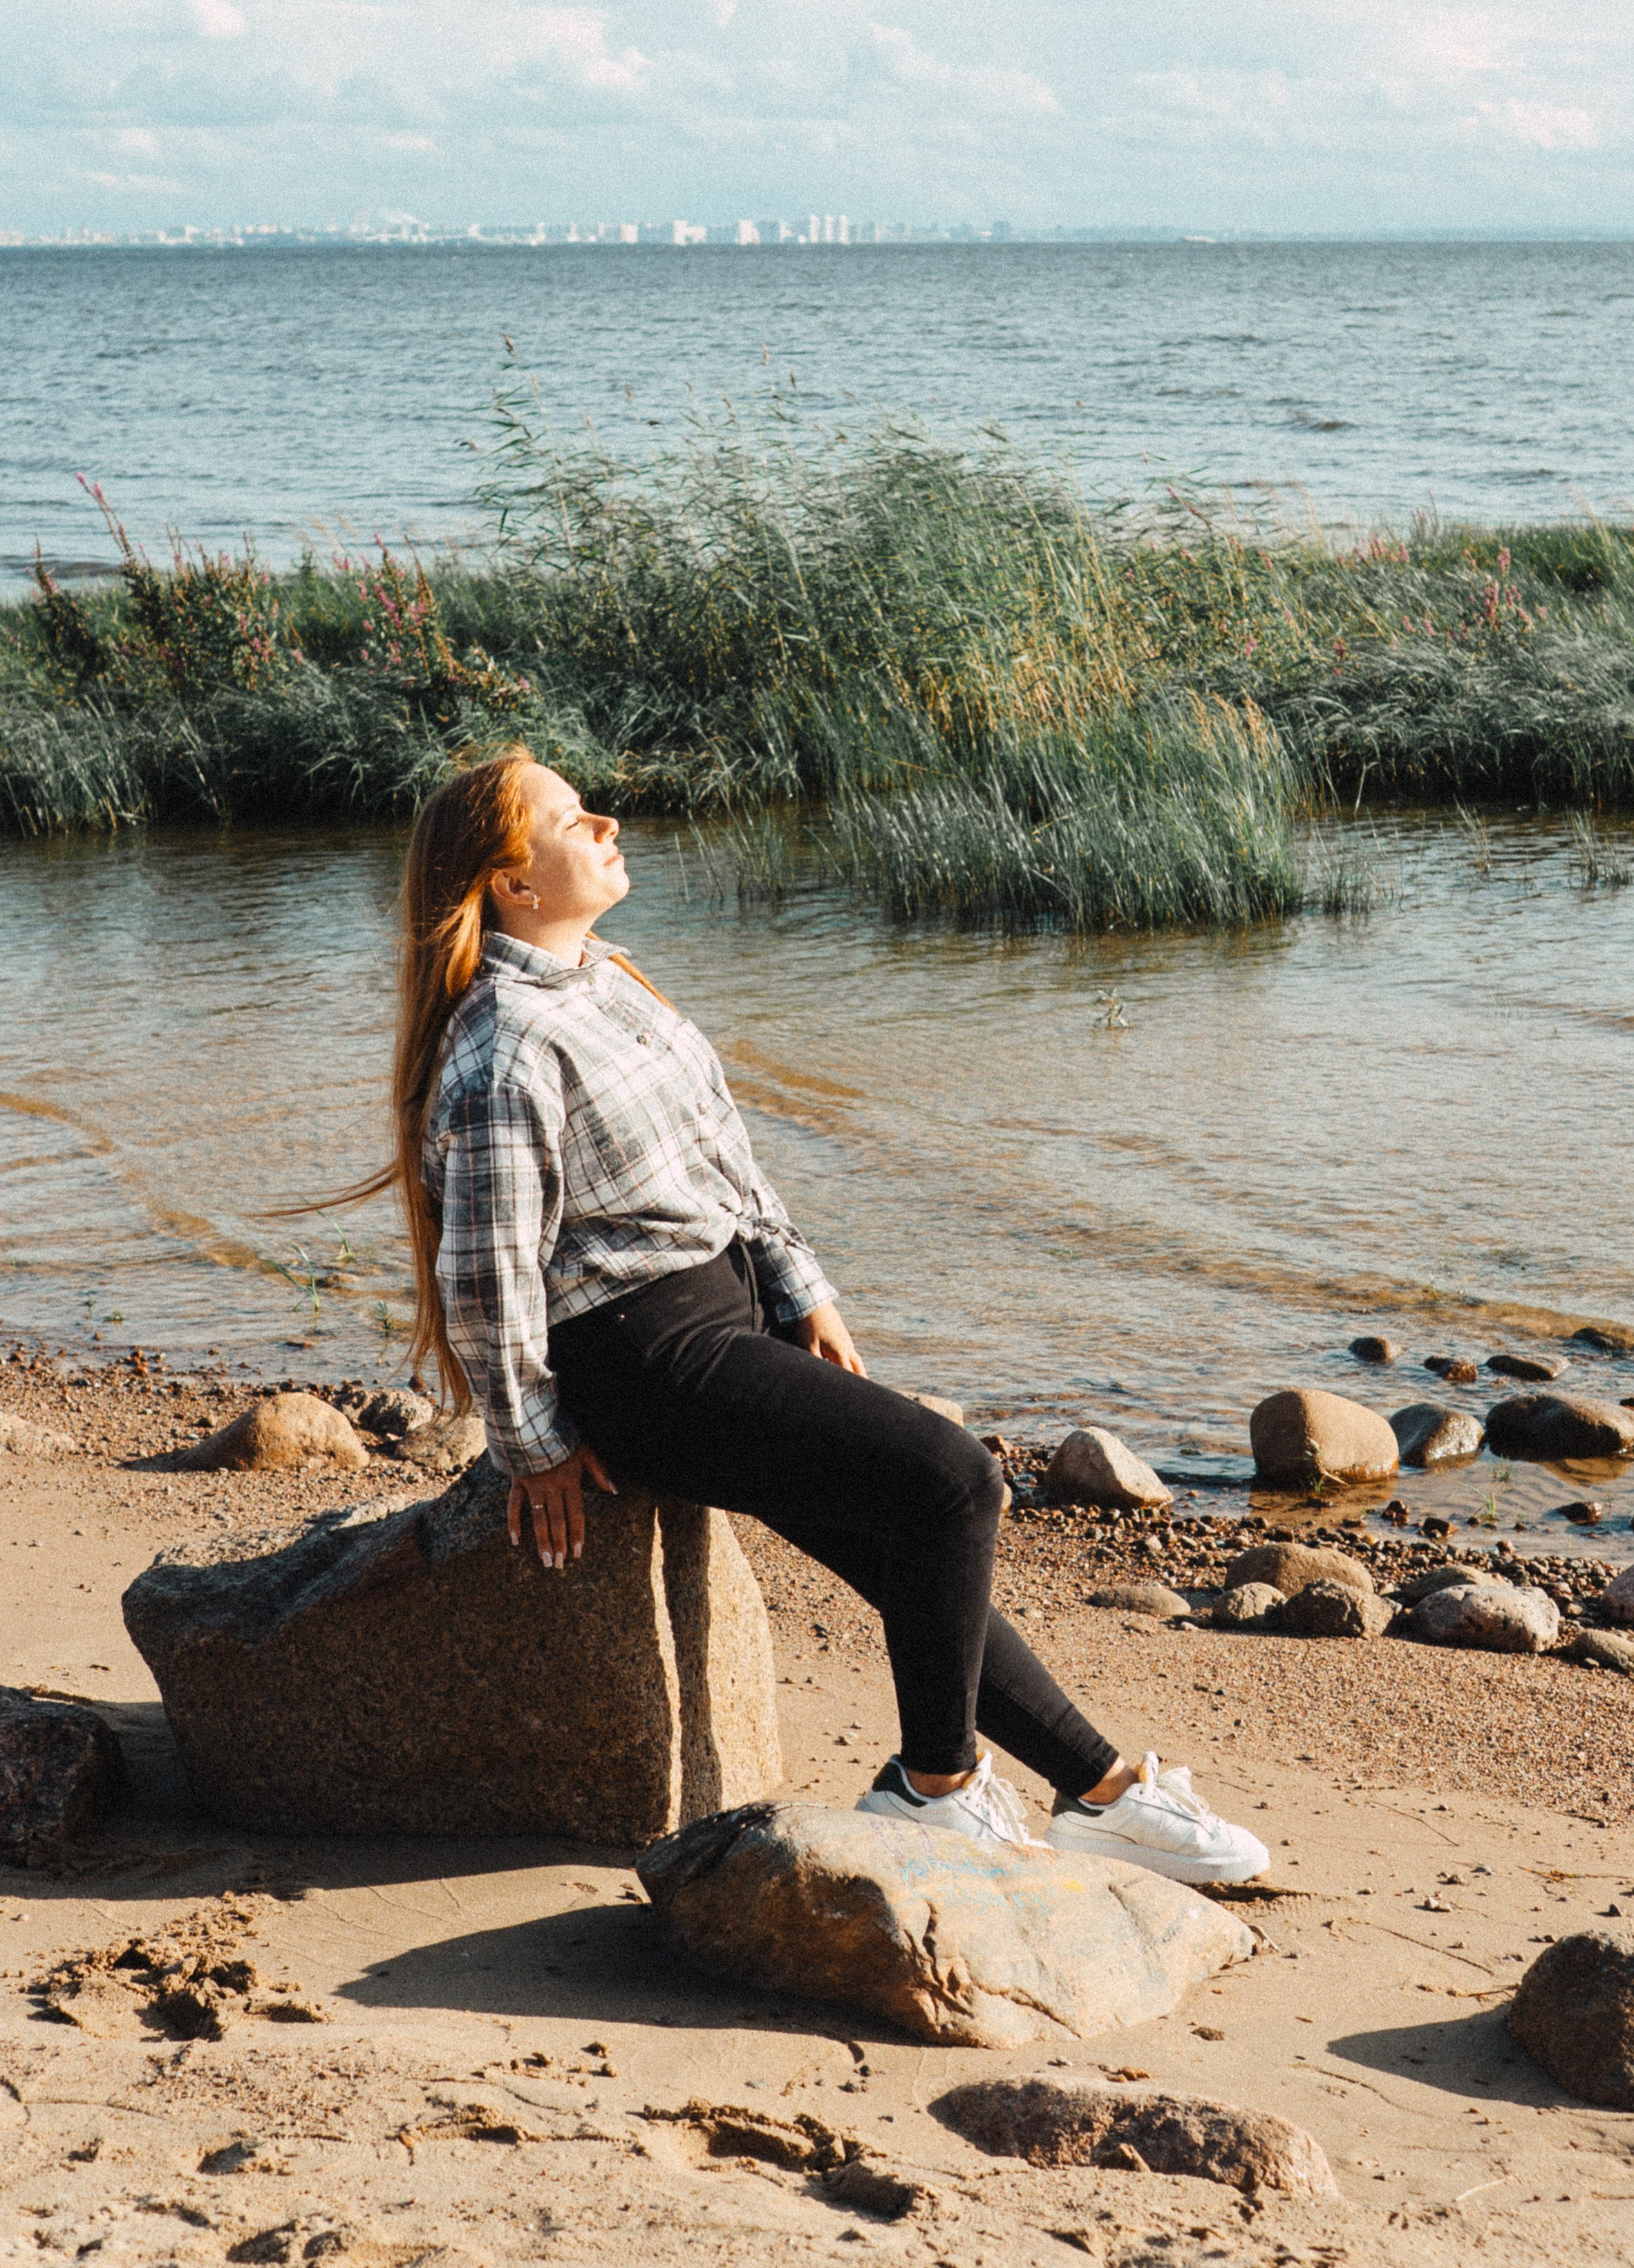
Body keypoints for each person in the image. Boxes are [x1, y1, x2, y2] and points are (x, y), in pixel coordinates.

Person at [382, 747, 1268, 1882]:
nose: (606, 823)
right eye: (572, 817)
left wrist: (801, 1285)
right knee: (955, 1478)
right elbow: (485, 1275)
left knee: (912, 1542)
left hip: (723, 1313)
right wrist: (535, 1445)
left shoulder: (603, 978)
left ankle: (1099, 1792)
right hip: (646, 1357)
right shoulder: (505, 1045)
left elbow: (723, 1154)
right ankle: (933, 1788)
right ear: (512, 882)